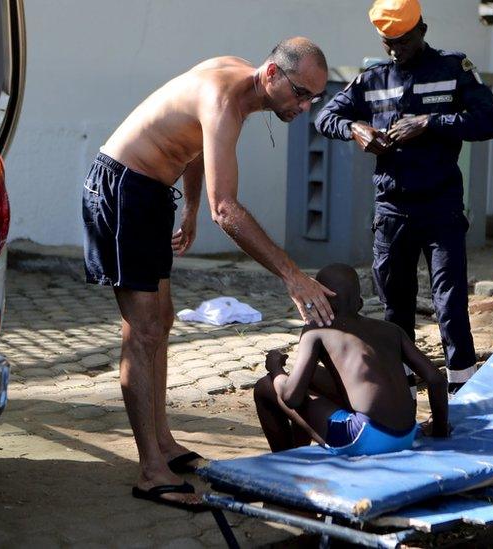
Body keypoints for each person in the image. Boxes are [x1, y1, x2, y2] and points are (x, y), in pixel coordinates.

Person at [81, 38, 334, 510]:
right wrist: (291, 276)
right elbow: (229, 210)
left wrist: (190, 208)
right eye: (301, 94)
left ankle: (164, 443)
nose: (305, 106)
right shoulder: (224, 97)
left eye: (313, 99)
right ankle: (151, 471)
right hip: (122, 189)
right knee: (143, 330)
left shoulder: (241, 87)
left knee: (164, 320)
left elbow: (195, 147)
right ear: (273, 75)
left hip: (151, 193)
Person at [314, 0, 493, 394]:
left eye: (403, 40)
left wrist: (431, 123)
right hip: (392, 211)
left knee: (449, 303)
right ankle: (403, 387)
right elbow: (324, 117)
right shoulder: (373, 79)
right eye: (388, 42)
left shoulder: (453, 68)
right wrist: (357, 130)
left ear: (423, 31)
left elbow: (489, 121)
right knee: (395, 306)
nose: (396, 49)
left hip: (441, 206)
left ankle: (463, 388)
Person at [253, 264, 449, 455]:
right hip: (407, 434)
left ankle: (287, 461)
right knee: (307, 378)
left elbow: (291, 398)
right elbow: (436, 379)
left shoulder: (316, 330)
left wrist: (276, 369)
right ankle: (298, 454)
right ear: (360, 302)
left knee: (266, 386)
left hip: (363, 436)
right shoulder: (392, 331)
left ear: (318, 300)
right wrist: (439, 430)